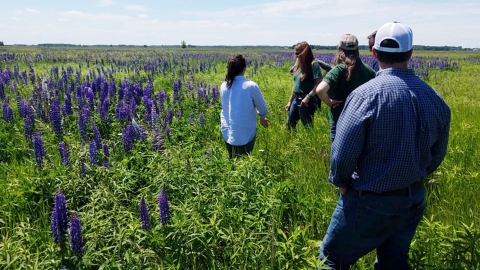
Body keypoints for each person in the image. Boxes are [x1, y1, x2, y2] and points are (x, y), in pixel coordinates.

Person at [318, 22, 451, 269]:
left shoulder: (365, 95)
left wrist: (342, 183)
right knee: (394, 263)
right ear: (411, 54)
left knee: (331, 260)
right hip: (413, 199)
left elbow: (342, 154)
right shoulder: (435, 98)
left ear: (375, 53)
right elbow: (437, 155)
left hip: (369, 198)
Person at [314, 34, 376, 142]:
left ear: (339, 49)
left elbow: (320, 90)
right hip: (363, 123)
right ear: (358, 49)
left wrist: (329, 102)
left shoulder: (339, 70)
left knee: (339, 158)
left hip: (340, 122)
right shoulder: (368, 70)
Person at [220, 54, 269, 159]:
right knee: (244, 161)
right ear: (244, 68)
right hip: (245, 131)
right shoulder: (251, 86)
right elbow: (263, 108)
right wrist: (262, 116)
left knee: (232, 159)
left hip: (227, 130)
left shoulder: (224, 85)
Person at [285, 41, 322, 129]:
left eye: (298, 52)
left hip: (307, 101)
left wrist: (308, 97)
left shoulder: (314, 64)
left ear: (304, 52)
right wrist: (290, 101)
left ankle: (309, 143)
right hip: (296, 99)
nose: (296, 54)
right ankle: (291, 141)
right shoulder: (299, 65)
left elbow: (319, 84)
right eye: (295, 52)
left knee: (307, 126)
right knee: (289, 125)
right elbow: (296, 86)